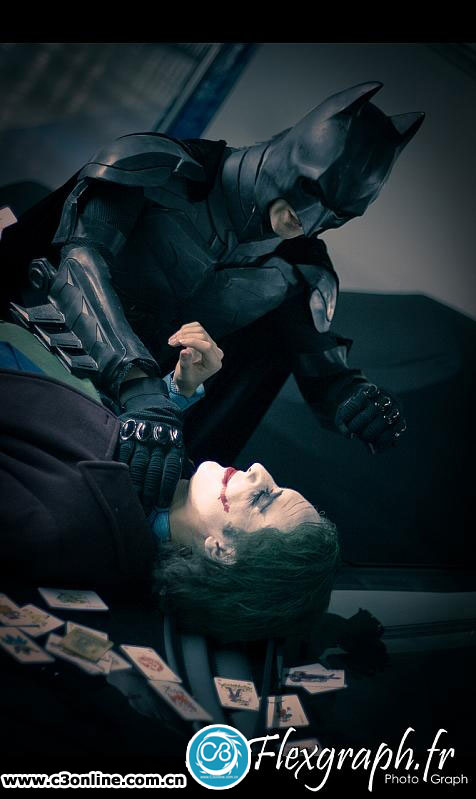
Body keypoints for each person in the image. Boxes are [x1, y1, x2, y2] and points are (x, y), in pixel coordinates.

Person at [2, 81, 424, 499]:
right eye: (310, 190)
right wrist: (140, 387)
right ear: (290, 153)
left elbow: (325, 378)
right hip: (31, 355)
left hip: (130, 423)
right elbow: (79, 263)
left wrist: (357, 401)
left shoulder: (299, 270)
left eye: (338, 213)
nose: (311, 220)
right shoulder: (156, 168)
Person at [0, 318, 339, 644]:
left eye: (262, 498)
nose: (259, 470)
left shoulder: (57, 524)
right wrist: (174, 391)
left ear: (221, 550)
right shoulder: (159, 492)